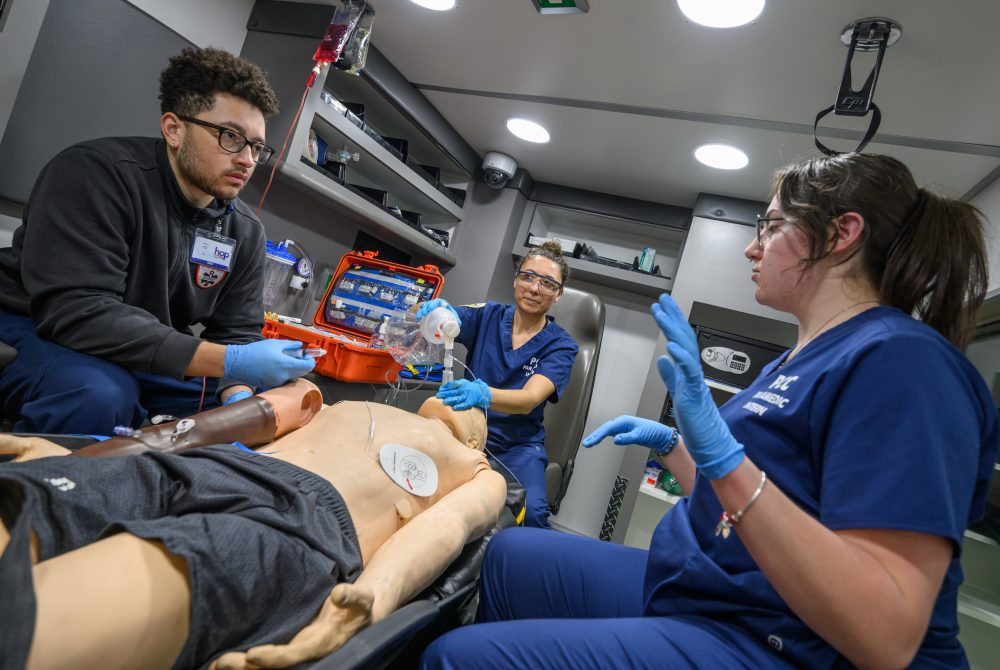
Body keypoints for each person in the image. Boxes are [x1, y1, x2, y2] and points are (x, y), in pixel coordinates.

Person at [420, 153, 1000, 669]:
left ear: (842, 233)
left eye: (770, 227)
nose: (752, 246)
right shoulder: (802, 357)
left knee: (453, 657)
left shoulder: (904, 363)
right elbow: (759, 501)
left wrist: (722, 457)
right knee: (507, 553)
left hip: (777, 636)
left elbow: (887, 634)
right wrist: (675, 448)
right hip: (719, 581)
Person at [0, 379, 507, 670]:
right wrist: (88, 459)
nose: (471, 404)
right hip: (202, 467)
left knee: (49, 619)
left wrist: (370, 600)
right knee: (21, 501)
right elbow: (213, 427)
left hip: (300, 525)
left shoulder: (477, 471)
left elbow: (445, 531)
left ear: (481, 444)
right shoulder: (340, 403)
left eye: (482, 411)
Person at [0, 47, 314, 436]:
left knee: (281, 403)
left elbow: (236, 334)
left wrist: (238, 392)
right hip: (32, 324)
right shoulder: (97, 175)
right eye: (231, 137)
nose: (248, 159)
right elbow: (78, 312)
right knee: (99, 396)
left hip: (139, 342)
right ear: (174, 129)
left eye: (256, 147)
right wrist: (229, 361)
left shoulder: (244, 231)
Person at [415, 240, 579, 528]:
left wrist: (482, 393)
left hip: (516, 446)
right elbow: (432, 315)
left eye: (548, 283)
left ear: (558, 294)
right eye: (528, 277)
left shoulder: (561, 345)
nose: (534, 288)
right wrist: (433, 311)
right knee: (417, 484)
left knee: (532, 513)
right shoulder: (487, 315)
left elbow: (529, 398)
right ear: (516, 280)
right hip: (463, 430)